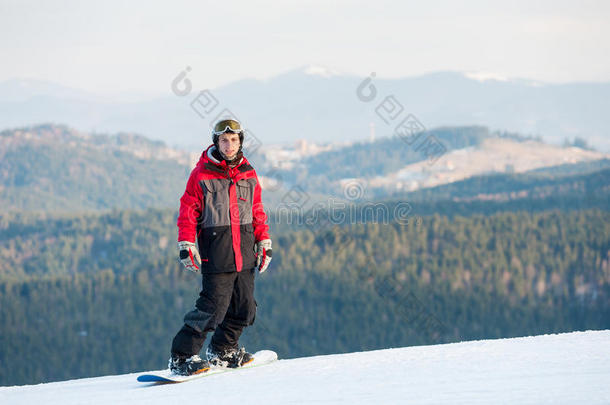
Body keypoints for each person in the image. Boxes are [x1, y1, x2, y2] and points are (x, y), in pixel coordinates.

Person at [168, 118, 272, 376]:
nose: (229, 145)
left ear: (240, 142)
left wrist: (264, 241)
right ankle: (182, 357)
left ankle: (224, 350)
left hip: (246, 251)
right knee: (212, 308)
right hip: (218, 252)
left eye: (234, 140)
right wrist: (186, 242)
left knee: (245, 307)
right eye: (224, 140)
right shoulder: (202, 174)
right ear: (216, 142)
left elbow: (257, 209)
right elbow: (188, 210)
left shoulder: (248, 172)